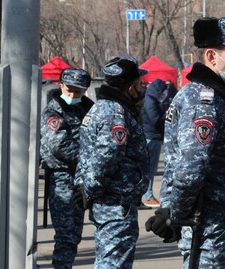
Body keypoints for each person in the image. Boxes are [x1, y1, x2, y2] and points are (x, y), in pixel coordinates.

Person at [145, 17, 225, 268]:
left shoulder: (215, 96)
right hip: (205, 219)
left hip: (211, 217)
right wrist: (177, 215)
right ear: (212, 56)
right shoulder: (202, 101)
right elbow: (191, 167)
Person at [73, 55, 149, 268]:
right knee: (114, 263)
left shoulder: (103, 108)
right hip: (115, 203)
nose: (142, 88)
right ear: (130, 88)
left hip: (109, 202)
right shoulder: (115, 112)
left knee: (107, 261)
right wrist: (90, 189)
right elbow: (107, 155)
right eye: (139, 84)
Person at [39, 68, 94, 268]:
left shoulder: (87, 108)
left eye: (77, 92)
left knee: (75, 234)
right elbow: (59, 145)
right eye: (69, 90)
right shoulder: (53, 111)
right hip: (62, 178)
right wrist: (91, 159)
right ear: (61, 85)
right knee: (66, 236)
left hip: (81, 178)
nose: (72, 95)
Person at [140, 79, 171, 208]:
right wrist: (167, 116)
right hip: (152, 136)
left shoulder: (152, 99)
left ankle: (146, 194)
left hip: (154, 136)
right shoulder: (150, 100)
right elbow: (156, 119)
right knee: (150, 168)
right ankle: (148, 195)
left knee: (149, 168)